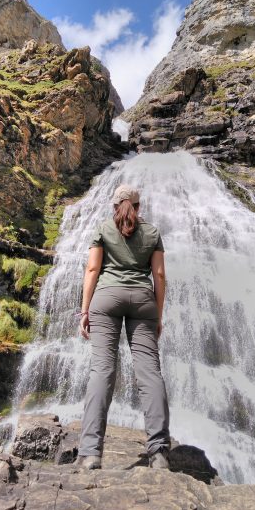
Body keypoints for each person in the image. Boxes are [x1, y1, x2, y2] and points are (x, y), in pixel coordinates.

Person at [75, 183, 171, 471]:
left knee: (102, 371)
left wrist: (84, 310)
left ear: (114, 206)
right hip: (143, 302)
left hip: (106, 299)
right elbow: (160, 275)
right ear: (138, 207)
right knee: (150, 373)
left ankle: (91, 453)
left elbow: (92, 269)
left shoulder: (103, 228)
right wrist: (158, 315)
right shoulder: (152, 233)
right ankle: (159, 453)